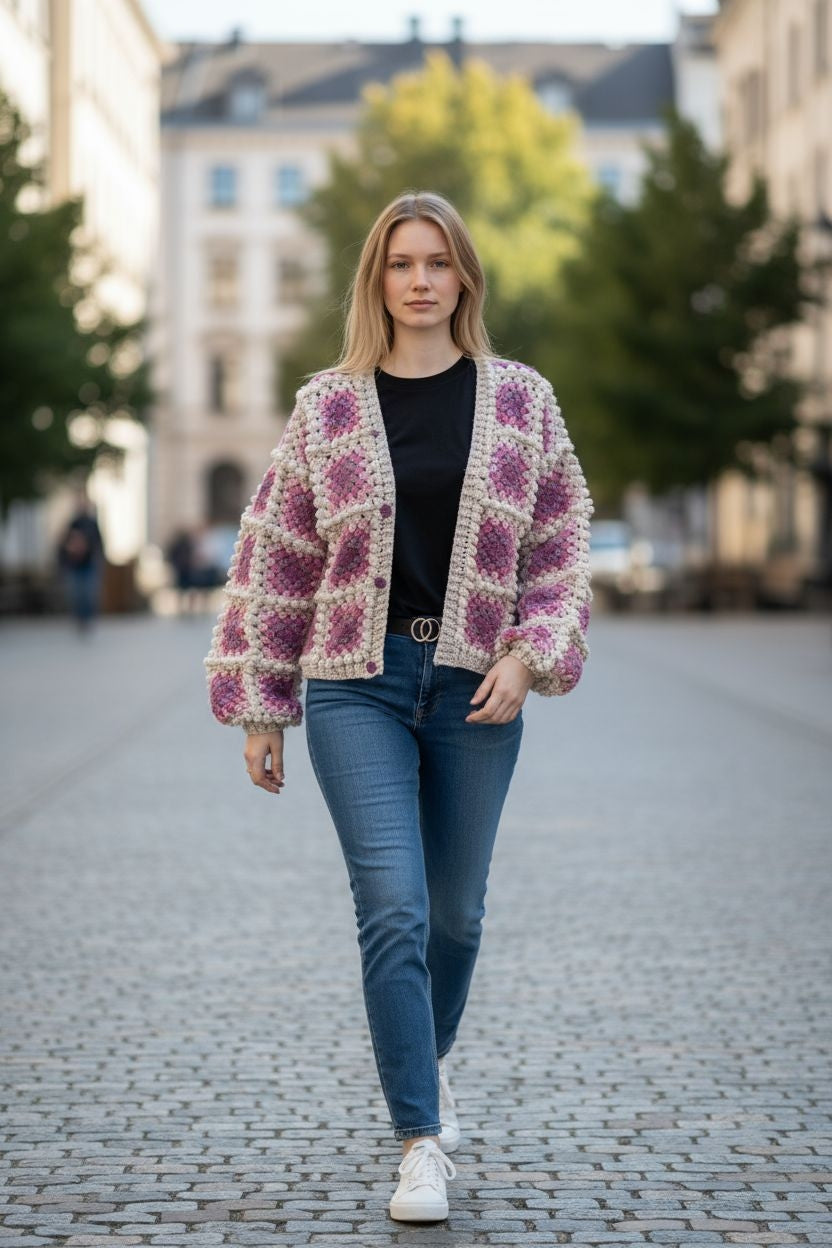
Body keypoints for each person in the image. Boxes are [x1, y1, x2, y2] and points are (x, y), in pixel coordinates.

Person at [204, 190, 594, 1223]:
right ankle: (419, 1141)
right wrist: (261, 704)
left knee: (456, 915)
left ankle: (429, 1055)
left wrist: (528, 655)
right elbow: (277, 555)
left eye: (438, 262)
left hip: (476, 686)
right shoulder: (327, 406)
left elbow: (560, 547)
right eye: (400, 263)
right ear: (376, 280)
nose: (420, 280)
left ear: (465, 276)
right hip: (354, 683)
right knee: (393, 907)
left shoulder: (521, 401)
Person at [56, 490, 105, 634]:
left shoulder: (92, 524)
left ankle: (88, 619)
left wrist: (99, 559)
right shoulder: (73, 523)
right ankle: (79, 619)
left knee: (89, 594)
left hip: (89, 564)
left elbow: (99, 544)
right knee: (76, 594)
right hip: (75, 564)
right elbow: (64, 543)